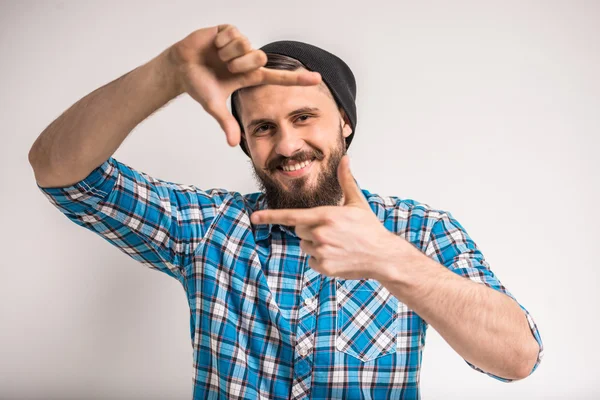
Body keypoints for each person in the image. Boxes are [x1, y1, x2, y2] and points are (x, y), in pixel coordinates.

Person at [28, 24, 544, 399]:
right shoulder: (208, 228)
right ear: (246, 141)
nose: (288, 145)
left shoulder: (422, 232)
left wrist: (392, 259)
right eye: (264, 127)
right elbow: (59, 170)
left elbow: (517, 359)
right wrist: (166, 74)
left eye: (304, 117)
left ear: (344, 122)